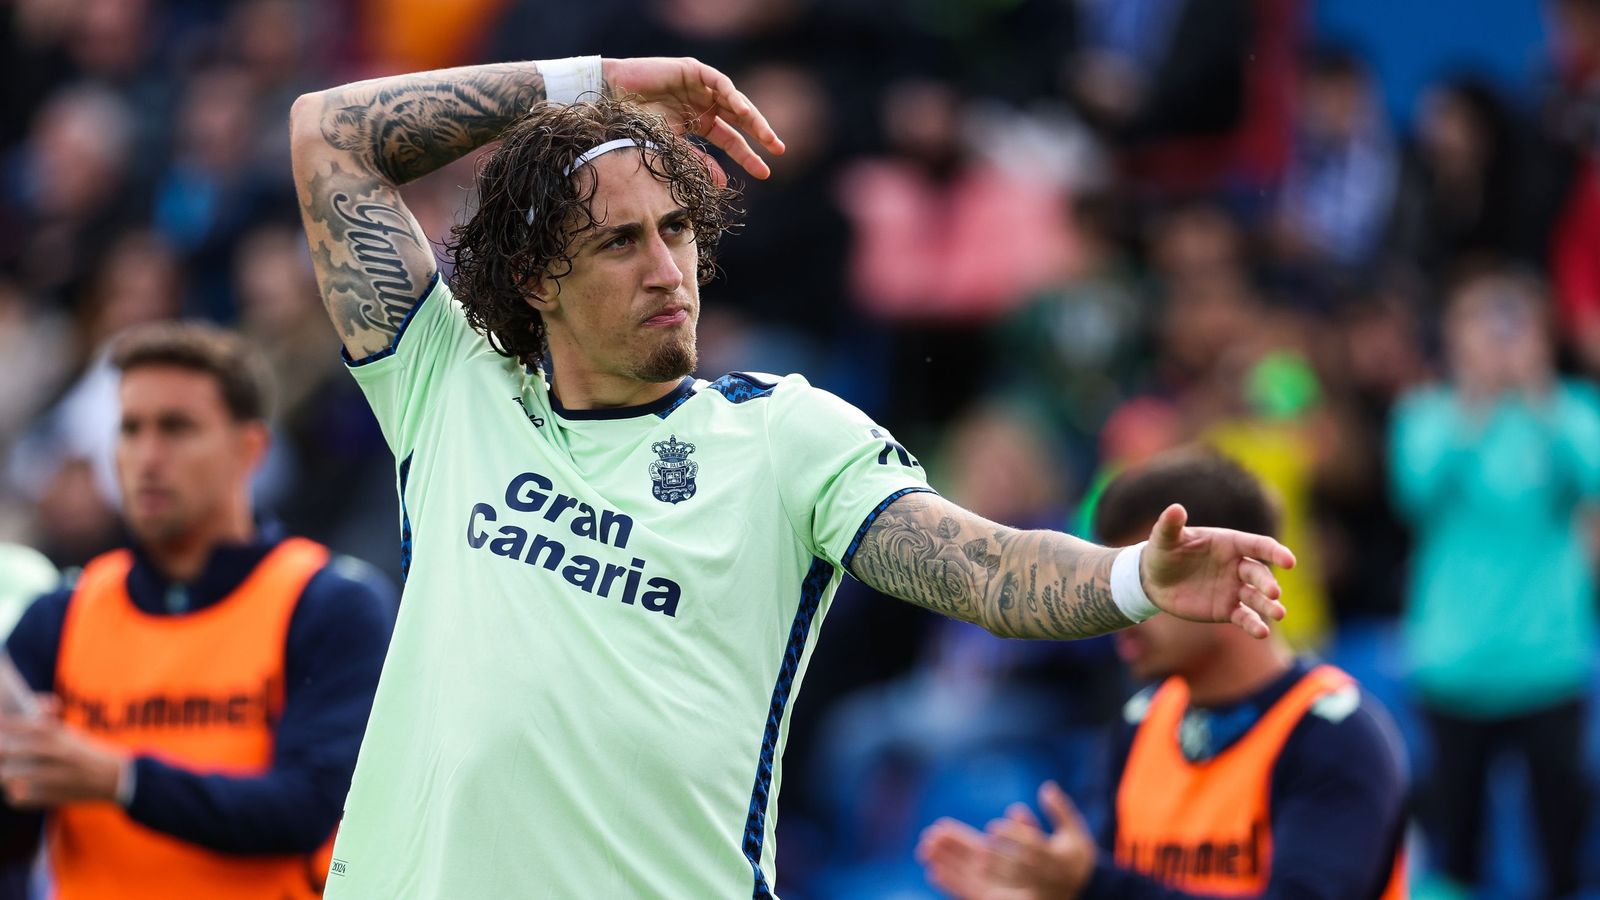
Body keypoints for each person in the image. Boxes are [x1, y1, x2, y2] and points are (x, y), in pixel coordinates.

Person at [287, 55, 1296, 897]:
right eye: (619, 242)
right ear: (535, 277)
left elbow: (983, 569)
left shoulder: (783, 435)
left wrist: (1132, 579)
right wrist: (599, 84)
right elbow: (329, 134)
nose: (666, 270)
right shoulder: (452, 386)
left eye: (676, 229)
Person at [0, 322, 398, 900]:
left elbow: (309, 806)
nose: (147, 457)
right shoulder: (61, 614)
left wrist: (123, 780)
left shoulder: (330, 603)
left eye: (176, 427)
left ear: (250, 448)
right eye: (130, 429)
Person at [917, 450, 1408, 899]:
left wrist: (1092, 886)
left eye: (1152, 579)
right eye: (1121, 581)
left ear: (1234, 569)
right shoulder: (1141, 722)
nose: (1120, 610)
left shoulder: (1335, 735)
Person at [1389, 268, 1600, 899]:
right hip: (1455, 662)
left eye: (1513, 325)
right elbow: (1415, 492)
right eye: (1482, 324)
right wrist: (1475, 405)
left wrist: (1539, 395)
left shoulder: (1569, 409)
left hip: (1548, 660)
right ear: (1455, 337)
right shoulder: (1426, 414)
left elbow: (1594, 476)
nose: (1498, 340)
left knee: (1564, 848)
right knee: (1456, 848)